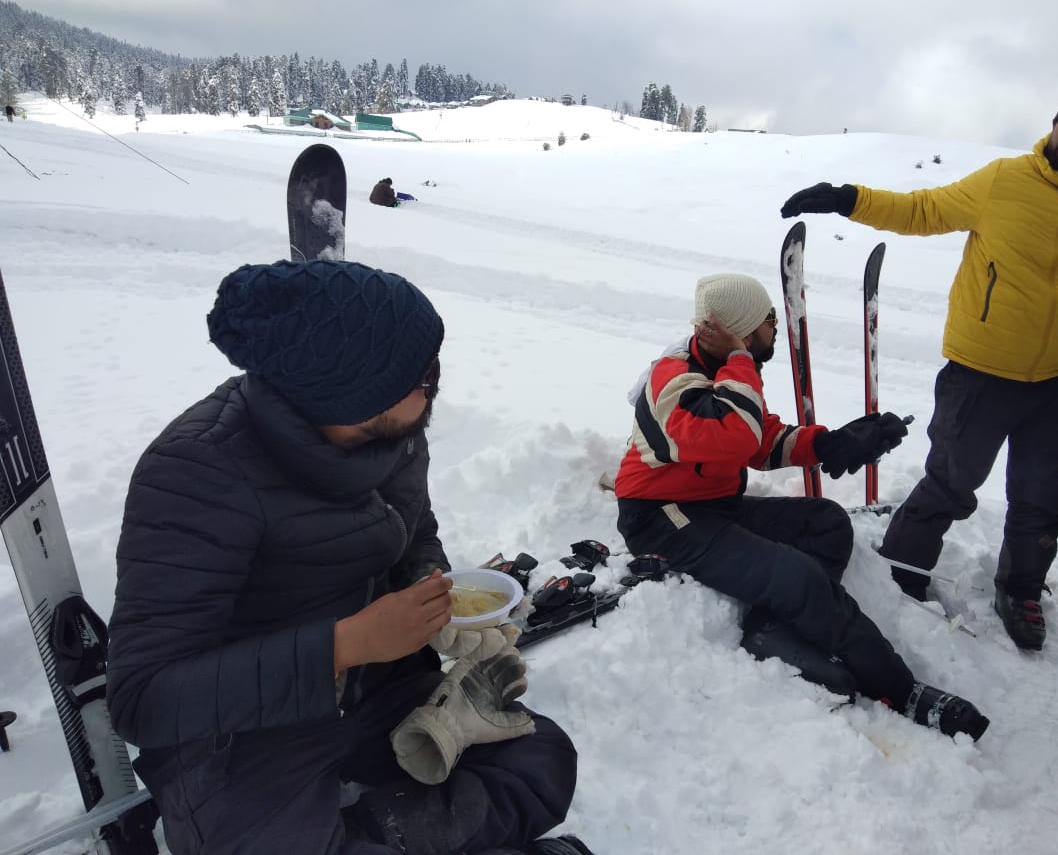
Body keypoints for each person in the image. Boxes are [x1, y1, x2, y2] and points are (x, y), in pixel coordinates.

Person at [107, 260, 592, 855]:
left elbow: (416, 531)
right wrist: (343, 646)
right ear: (338, 400)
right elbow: (142, 699)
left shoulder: (397, 431)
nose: (430, 389)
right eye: (416, 381)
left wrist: (432, 591)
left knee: (543, 756)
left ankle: (375, 834)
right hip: (242, 740)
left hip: (378, 697)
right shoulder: (196, 474)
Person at [780, 72, 1058, 652]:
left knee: (1044, 495)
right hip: (979, 371)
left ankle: (1021, 587)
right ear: (1055, 122)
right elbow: (924, 210)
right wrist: (848, 199)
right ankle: (901, 572)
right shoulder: (1005, 180)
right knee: (950, 482)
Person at [614, 272, 989, 741]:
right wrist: (738, 359)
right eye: (770, 319)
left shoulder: (722, 370)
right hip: (662, 516)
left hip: (709, 504)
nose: (777, 326)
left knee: (826, 523)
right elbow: (736, 432)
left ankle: (771, 627)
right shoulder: (675, 379)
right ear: (744, 333)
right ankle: (899, 688)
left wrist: (835, 444)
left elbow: (760, 440)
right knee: (797, 576)